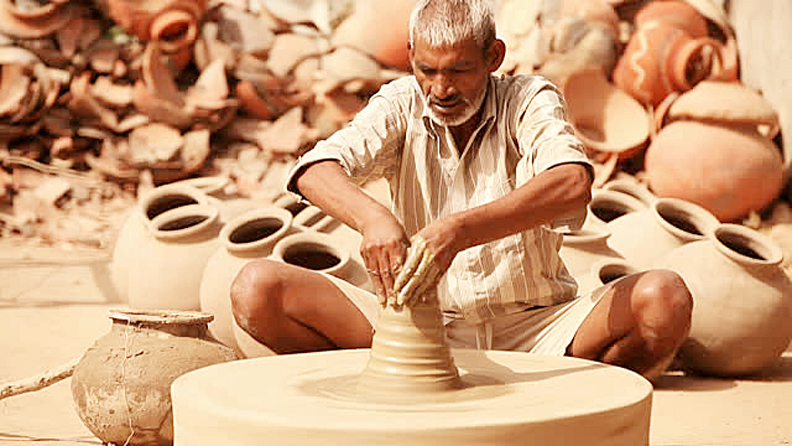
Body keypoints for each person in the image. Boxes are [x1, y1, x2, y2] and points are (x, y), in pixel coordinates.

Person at [230, 0, 692, 379]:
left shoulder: (528, 99)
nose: (440, 88)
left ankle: (570, 403)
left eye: (458, 71)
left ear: (494, 57)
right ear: (410, 55)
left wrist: (460, 230)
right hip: (416, 324)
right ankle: (389, 383)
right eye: (427, 69)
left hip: (538, 330)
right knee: (257, 290)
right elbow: (315, 168)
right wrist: (374, 218)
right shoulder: (401, 101)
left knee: (663, 298)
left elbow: (571, 182)